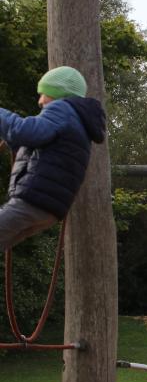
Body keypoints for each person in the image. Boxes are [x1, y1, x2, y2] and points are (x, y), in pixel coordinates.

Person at [0, 66, 106, 250]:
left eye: (44, 94)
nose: (40, 101)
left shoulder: (62, 109)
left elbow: (25, 132)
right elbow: (33, 147)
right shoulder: (78, 122)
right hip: (50, 210)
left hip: (33, 198)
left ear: (58, 93)